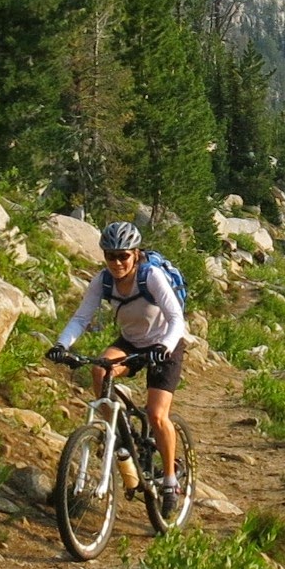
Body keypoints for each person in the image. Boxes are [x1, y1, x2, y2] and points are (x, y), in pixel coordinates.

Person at [46, 221, 188, 517]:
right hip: (131, 342)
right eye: (110, 256)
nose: (117, 262)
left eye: (123, 256)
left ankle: (170, 480)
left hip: (165, 344)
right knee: (100, 370)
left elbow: (176, 318)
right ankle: (120, 435)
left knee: (156, 414)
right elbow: (82, 318)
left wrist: (163, 346)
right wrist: (61, 345)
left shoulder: (151, 276)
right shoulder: (103, 280)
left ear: (135, 254)